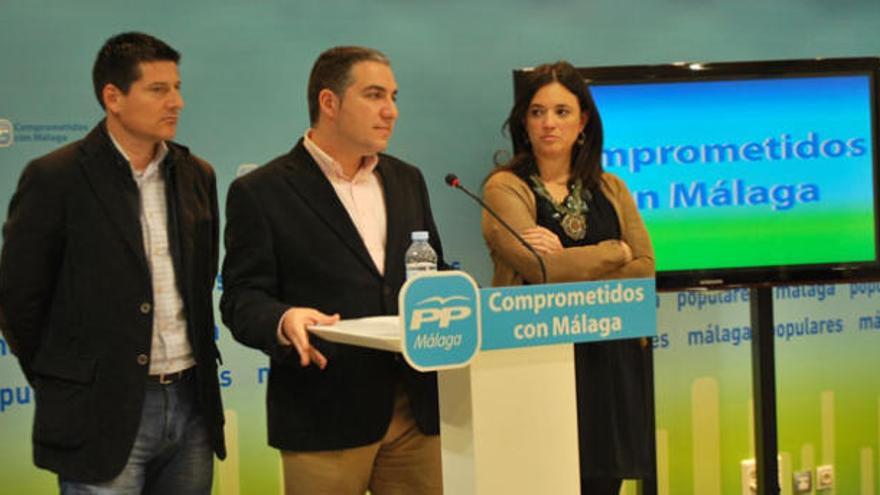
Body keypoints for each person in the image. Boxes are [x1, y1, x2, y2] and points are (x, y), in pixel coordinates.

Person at [0, 32, 226, 494]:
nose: (176, 102)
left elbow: (201, 281)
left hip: (191, 402)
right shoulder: (56, 177)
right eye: (158, 89)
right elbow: (19, 300)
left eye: (178, 87)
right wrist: (67, 382)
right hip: (100, 410)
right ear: (113, 97)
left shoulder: (197, 175)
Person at [220, 46, 445, 495]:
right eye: (375, 95)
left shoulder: (407, 180)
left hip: (414, 408)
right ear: (329, 103)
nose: (391, 111)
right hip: (324, 410)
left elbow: (430, 272)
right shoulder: (262, 191)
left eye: (394, 97)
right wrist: (284, 319)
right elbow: (242, 298)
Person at [481, 61, 656, 495]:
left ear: (583, 123)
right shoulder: (505, 188)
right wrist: (615, 252)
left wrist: (571, 261)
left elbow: (646, 268)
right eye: (537, 112)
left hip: (609, 363)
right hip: (535, 360)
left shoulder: (611, 188)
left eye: (562, 111)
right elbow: (540, 269)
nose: (548, 123)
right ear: (523, 121)